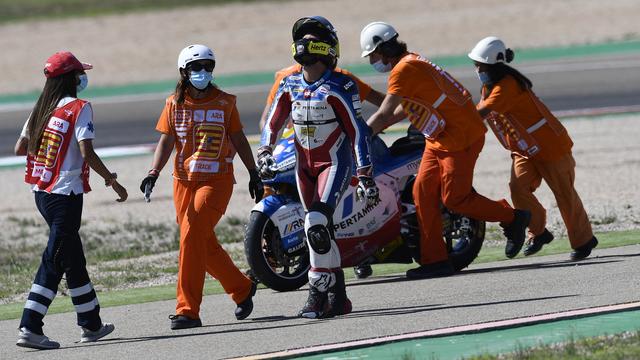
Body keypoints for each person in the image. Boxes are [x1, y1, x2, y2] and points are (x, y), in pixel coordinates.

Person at [360, 22, 532, 279]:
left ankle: (513, 218)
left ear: (384, 49)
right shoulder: (409, 65)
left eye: (372, 55)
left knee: (455, 199)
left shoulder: (404, 69)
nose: (373, 61)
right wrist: (369, 130)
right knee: (422, 192)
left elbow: (384, 113)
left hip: (460, 138)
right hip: (438, 138)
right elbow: (404, 109)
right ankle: (436, 261)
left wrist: (359, 137)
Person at [259, 16, 379, 318]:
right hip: (304, 166)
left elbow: (357, 132)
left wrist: (364, 173)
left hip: (333, 164)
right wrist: (264, 151)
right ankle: (339, 298)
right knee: (320, 229)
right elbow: (272, 123)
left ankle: (316, 292)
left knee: (314, 223)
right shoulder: (289, 83)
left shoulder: (341, 84)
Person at [140, 44, 264, 330]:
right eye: (197, 68)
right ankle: (242, 288)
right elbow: (166, 141)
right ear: (184, 72)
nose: (203, 72)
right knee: (200, 242)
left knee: (191, 236)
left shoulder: (226, 102)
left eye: (208, 67)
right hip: (183, 181)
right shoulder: (173, 103)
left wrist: (253, 173)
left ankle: (187, 310)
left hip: (217, 181)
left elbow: (239, 138)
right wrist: (153, 172)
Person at [13, 51, 127, 349]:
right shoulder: (80, 108)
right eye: (79, 73)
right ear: (70, 78)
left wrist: (50, 151)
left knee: (72, 257)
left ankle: (91, 323)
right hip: (65, 195)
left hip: (42, 192)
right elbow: (87, 152)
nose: (82, 78)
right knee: (54, 259)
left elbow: (19, 148)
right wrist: (112, 181)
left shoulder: (42, 107)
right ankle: (30, 326)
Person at [468, 36, 598, 260]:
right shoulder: (488, 87)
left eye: (480, 65)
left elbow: (482, 112)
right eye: (476, 65)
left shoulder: (506, 86)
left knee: (565, 195)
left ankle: (584, 240)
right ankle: (538, 233)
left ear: (495, 66)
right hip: (524, 149)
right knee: (518, 188)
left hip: (550, 147)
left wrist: (453, 120)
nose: (477, 69)